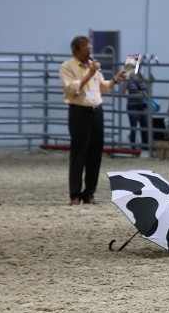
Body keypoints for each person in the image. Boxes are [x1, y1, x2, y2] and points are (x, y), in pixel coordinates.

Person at [59, 35, 127, 205]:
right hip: (79, 112)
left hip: (96, 111)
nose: (90, 51)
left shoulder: (93, 66)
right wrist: (88, 74)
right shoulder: (67, 67)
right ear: (76, 50)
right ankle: (75, 194)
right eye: (86, 48)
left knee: (95, 154)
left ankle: (89, 193)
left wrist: (114, 80)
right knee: (78, 154)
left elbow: (101, 88)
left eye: (90, 48)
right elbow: (72, 89)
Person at [124, 67, 152, 152]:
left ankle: (145, 146)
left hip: (143, 104)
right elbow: (121, 92)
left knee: (145, 125)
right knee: (134, 126)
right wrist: (134, 96)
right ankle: (133, 146)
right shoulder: (129, 78)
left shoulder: (142, 77)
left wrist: (144, 92)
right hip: (132, 106)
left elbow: (148, 90)